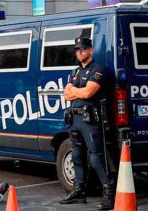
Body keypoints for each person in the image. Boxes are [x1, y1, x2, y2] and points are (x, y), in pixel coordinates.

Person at [58, 35, 114, 210]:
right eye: (77, 50)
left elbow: (88, 93)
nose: (79, 52)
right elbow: (66, 95)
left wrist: (74, 90)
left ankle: (109, 193)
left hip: (90, 119)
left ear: (90, 50)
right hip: (74, 118)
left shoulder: (99, 69)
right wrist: (77, 91)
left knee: (96, 157)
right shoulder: (75, 72)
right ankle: (79, 191)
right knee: (76, 156)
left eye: (82, 49)